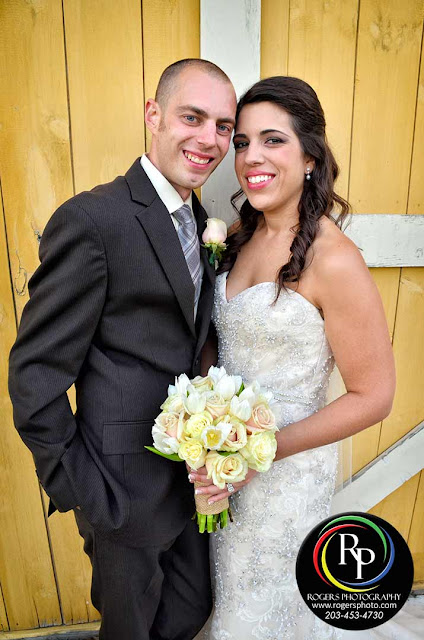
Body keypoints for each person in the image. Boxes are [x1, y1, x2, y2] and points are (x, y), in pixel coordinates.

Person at [8, 59, 237, 640]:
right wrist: (85, 491)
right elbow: (35, 373)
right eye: (193, 117)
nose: (209, 139)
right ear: (153, 116)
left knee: (189, 609)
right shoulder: (94, 220)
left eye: (223, 127)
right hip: (118, 489)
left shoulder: (203, 221)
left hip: (188, 484)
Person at [191, 76, 396, 639]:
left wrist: (259, 450)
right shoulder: (236, 236)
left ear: (310, 155)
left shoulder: (335, 260)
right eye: (242, 142)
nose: (250, 157)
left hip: (285, 478)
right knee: (230, 598)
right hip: (222, 468)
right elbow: (220, 341)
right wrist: (202, 427)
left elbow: (374, 397)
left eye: (273, 141)